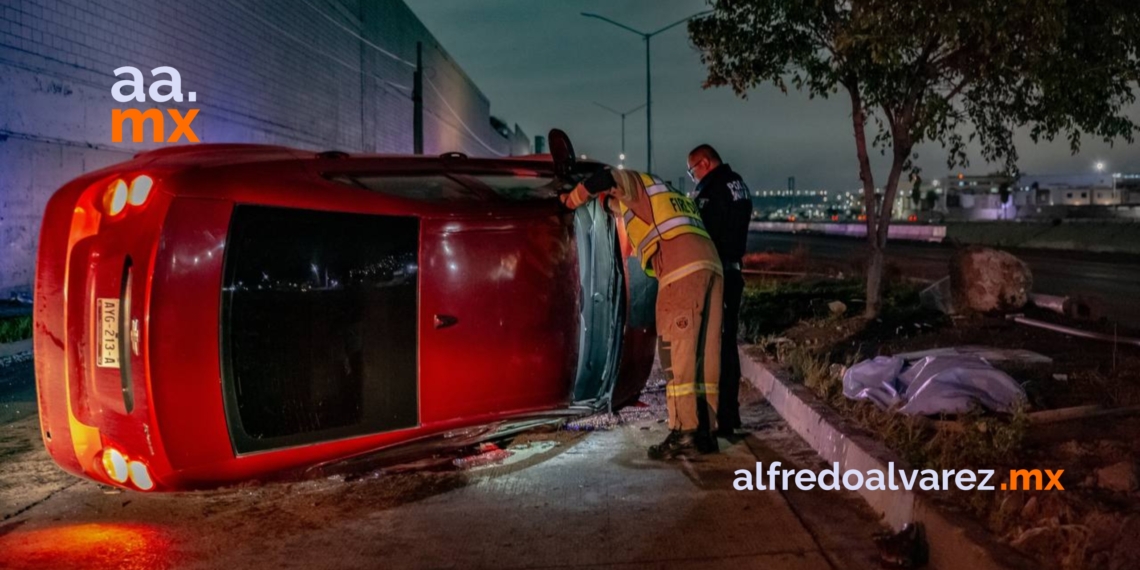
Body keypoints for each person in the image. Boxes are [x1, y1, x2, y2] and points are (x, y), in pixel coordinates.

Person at [552, 131, 723, 459]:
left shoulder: (635, 182)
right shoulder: (668, 195)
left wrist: (569, 201)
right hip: (710, 267)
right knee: (705, 355)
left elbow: (605, 178)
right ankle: (706, 433)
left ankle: (683, 431)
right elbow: (632, 222)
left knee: (677, 353)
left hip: (681, 271)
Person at [686, 144, 753, 437]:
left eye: (692, 171)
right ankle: (730, 412)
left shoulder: (712, 190)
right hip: (734, 272)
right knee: (728, 346)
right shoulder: (738, 183)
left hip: (718, 275)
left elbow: (703, 233)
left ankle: (721, 416)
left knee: (715, 347)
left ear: (704, 163)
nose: (692, 178)